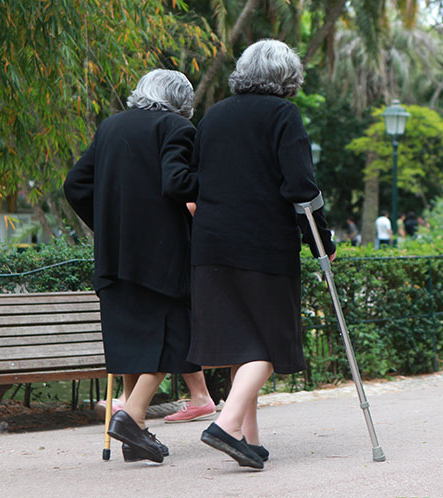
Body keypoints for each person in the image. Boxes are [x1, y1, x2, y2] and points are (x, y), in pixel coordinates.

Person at [186, 39, 336, 470]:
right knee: (270, 340)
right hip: (263, 245)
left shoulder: (214, 114)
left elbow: (196, 180)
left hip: (212, 244)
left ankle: (249, 441)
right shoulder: (283, 114)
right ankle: (226, 423)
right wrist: (322, 243)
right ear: (287, 76)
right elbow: (301, 189)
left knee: (241, 341)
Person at [63, 69, 207, 464]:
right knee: (173, 339)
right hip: (162, 257)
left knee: (131, 346)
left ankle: (136, 434)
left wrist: (110, 225)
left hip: (114, 257)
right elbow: (177, 185)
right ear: (181, 102)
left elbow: (75, 184)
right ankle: (129, 416)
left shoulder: (111, 126)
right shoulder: (176, 127)